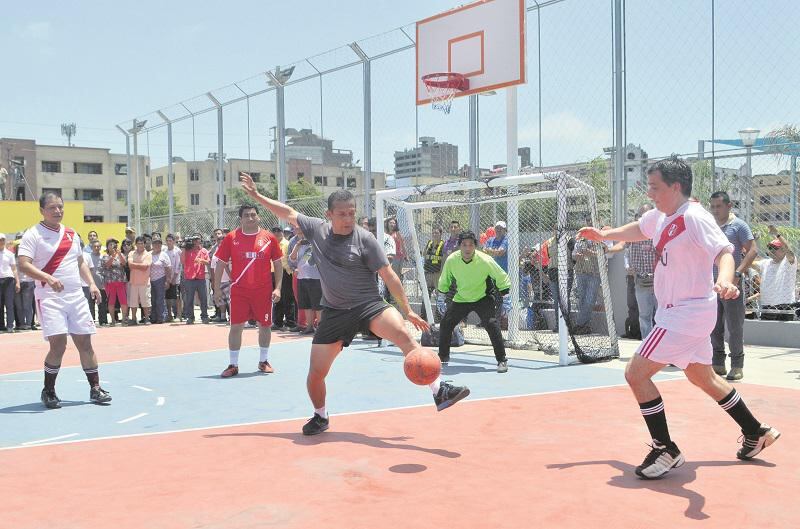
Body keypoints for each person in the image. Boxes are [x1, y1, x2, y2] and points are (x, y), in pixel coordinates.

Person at [578, 156, 779, 479]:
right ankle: (755, 431)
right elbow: (639, 229)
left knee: (636, 374)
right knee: (702, 377)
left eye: (655, 187)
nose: (650, 193)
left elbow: (724, 251)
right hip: (687, 315)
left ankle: (665, 448)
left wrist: (726, 279)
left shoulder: (694, 217)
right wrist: (606, 235)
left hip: (684, 314)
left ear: (675, 187)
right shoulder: (661, 216)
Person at [240, 172, 470, 435]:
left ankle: (440, 390)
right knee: (316, 373)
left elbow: (389, 275)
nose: (349, 219)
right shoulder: (316, 229)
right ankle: (320, 415)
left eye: (352, 213)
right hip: (335, 312)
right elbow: (288, 211)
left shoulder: (365, 240)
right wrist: (257, 196)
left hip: (368, 306)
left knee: (404, 335)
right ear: (329, 215)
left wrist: (406, 310)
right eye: (342, 214)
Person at [16, 192, 112, 408]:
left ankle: (95, 388)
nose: (57, 211)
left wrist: (93, 284)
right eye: (52, 208)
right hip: (49, 297)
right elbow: (23, 263)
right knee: (58, 345)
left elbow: (80, 262)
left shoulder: (71, 233)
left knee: (85, 343)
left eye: (60, 207)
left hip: (76, 296)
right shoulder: (33, 234)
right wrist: (48, 278)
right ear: (42, 210)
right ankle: (49, 391)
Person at [214, 204, 283, 377]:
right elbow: (221, 264)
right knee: (236, 327)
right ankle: (233, 364)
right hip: (239, 291)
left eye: (253, 215)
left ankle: (263, 361)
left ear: (259, 217)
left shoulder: (269, 238)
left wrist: (278, 288)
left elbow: (278, 264)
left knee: (265, 326)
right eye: (246, 215)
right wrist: (216, 289)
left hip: (263, 291)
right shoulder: (231, 238)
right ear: (241, 218)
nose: (250, 218)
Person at [437, 230, 510, 373]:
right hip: (461, 298)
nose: (467, 248)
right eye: (464, 245)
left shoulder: (485, 260)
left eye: (471, 245)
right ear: (459, 246)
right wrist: (441, 297)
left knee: (491, 324)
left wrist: (506, 298)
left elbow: (501, 277)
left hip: (482, 297)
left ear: (475, 246)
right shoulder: (452, 260)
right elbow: (445, 279)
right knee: (446, 323)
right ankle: (443, 357)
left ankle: (502, 360)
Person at [708, 191, 758, 381]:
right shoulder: (710, 226)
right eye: (712, 206)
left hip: (732, 286)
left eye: (718, 206)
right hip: (713, 286)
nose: (715, 210)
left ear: (729, 206)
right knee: (714, 326)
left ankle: (737, 365)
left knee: (735, 327)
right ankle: (718, 363)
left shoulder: (739, 226)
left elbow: (753, 250)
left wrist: (738, 273)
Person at [752, 226, 796, 321]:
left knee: (785, 334)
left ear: (783, 250)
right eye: (769, 248)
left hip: (785, 303)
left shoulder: (788, 262)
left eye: (774, 248)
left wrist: (777, 234)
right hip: (767, 304)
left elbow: (789, 250)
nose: (771, 250)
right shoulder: (765, 263)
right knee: (767, 333)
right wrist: (751, 242)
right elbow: (749, 262)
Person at [289, 226, 322, 334]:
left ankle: (321, 328)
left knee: (317, 304)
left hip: (315, 278)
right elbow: (292, 259)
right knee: (306, 304)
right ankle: (309, 326)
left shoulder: (316, 242)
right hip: (302, 277)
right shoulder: (298, 244)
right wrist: (298, 246)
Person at [271, 226, 296, 331]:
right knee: (276, 298)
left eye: (279, 231)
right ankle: (277, 322)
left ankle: (290, 322)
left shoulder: (287, 244)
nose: (277, 233)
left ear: (283, 232)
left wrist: (290, 270)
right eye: (274, 231)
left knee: (287, 298)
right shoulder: (272, 245)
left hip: (285, 272)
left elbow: (290, 258)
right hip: (273, 272)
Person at [182, 234, 210, 324]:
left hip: (200, 277)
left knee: (203, 298)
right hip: (189, 278)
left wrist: (201, 260)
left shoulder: (203, 251)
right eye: (194, 240)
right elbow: (182, 261)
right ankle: (190, 317)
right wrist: (183, 248)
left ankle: (204, 316)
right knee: (189, 299)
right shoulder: (187, 250)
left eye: (198, 239)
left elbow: (208, 262)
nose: (196, 241)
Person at [100, 238, 128, 326]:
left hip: (120, 282)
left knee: (123, 300)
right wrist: (113, 256)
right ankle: (112, 320)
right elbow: (107, 265)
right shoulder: (105, 256)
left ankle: (124, 319)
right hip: (110, 282)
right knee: (111, 301)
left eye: (114, 245)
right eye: (111, 245)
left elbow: (124, 263)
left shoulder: (121, 255)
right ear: (107, 247)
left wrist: (119, 254)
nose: (113, 246)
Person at [127, 236, 152, 325]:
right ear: (136, 244)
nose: (140, 245)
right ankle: (133, 319)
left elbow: (145, 267)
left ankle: (147, 318)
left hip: (144, 282)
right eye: (138, 243)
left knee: (145, 301)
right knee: (133, 302)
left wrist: (135, 265)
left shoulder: (148, 254)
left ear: (144, 244)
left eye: (142, 243)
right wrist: (139, 265)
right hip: (133, 281)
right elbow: (130, 265)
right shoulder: (131, 253)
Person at [149, 236, 172, 324]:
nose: (157, 245)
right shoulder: (149, 254)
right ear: (152, 245)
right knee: (153, 299)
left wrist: (168, 280)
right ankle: (153, 317)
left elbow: (168, 268)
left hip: (161, 279)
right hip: (151, 280)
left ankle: (161, 317)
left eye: (159, 243)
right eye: (155, 243)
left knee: (160, 299)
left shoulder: (164, 254)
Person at [0, 233, 20, 332]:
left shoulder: (10, 254)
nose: (1, 242)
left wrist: (17, 282)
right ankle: (1, 326)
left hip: (9, 279)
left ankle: (10, 326)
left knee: (9, 304)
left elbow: (14, 269)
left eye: (3, 240)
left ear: (5, 241)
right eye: (0, 240)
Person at [86, 240, 109, 326]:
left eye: (98, 246)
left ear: (100, 247)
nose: (96, 248)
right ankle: (91, 321)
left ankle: (103, 321)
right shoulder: (88, 257)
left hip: (101, 284)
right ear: (91, 247)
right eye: (95, 246)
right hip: (90, 284)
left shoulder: (103, 257)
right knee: (90, 304)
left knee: (102, 304)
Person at [164, 233, 182, 322]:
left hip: (176, 279)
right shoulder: (164, 251)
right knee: (168, 298)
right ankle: (169, 315)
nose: (168, 242)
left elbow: (178, 265)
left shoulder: (177, 251)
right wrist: (167, 279)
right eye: (167, 241)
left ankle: (179, 315)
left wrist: (174, 278)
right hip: (167, 279)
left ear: (174, 241)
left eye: (170, 241)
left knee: (177, 298)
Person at [423, 226, 445, 293]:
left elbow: (444, 258)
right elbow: (424, 254)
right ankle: (425, 303)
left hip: (437, 272)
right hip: (428, 271)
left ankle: (439, 303)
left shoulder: (443, 244)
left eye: (436, 233)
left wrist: (431, 257)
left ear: (441, 234)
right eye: (433, 233)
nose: (434, 235)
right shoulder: (429, 243)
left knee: (439, 292)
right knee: (426, 292)